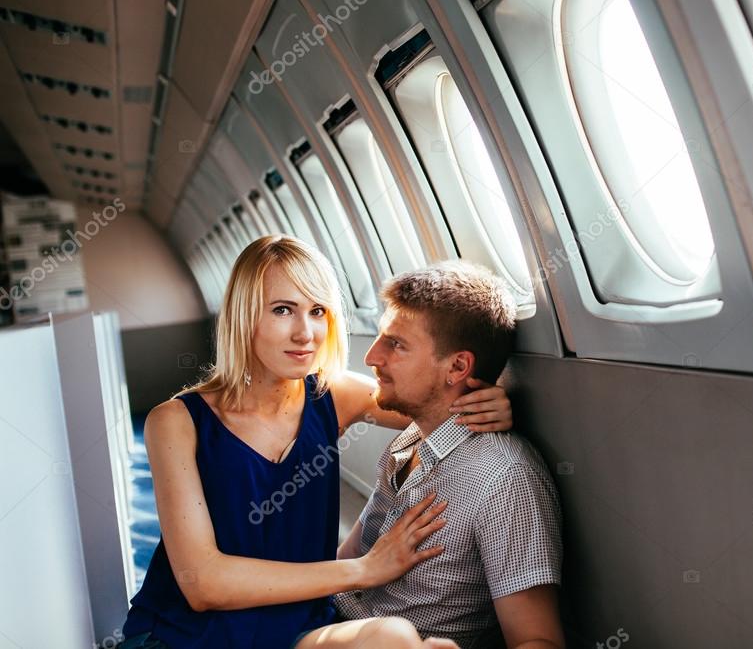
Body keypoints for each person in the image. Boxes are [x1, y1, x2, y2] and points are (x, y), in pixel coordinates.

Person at [120, 236, 516, 649]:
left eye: (317, 312)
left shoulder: (335, 396)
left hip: (297, 627)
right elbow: (202, 585)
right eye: (282, 310)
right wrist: (366, 569)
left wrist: (491, 403)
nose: (305, 333)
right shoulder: (175, 422)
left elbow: (432, 399)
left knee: (392, 636)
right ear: (243, 315)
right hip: (186, 634)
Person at [309, 262, 564, 649]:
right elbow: (344, 562)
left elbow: (538, 640)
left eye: (396, 344)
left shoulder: (503, 479)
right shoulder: (408, 441)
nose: (372, 357)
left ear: (458, 366)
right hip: (330, 618)